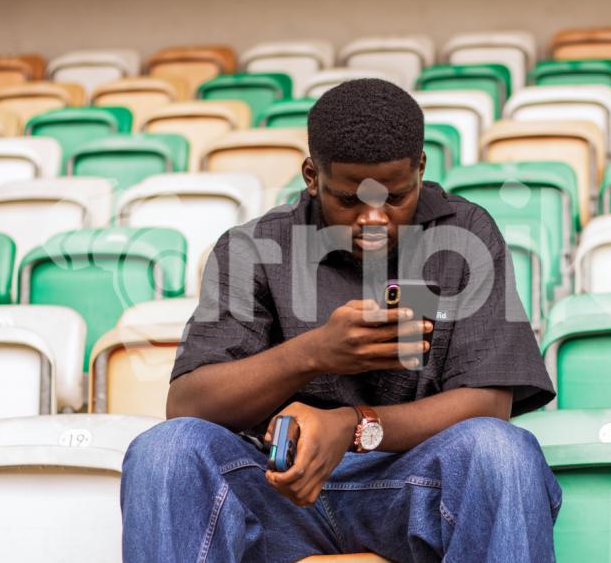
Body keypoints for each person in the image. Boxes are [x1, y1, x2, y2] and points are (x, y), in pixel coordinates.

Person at [121, 78, 561, 563]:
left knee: (502, 452)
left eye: (395, 197)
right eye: (349, 200)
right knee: (165, 451)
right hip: (278, 490)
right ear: (312, 175)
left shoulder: (466, 232)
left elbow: (489, 403)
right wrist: (313, 354)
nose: (374, 220)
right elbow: (188, 403)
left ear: (420, 168)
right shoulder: (253, 247)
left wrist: (353, 426)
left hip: (409, 487)